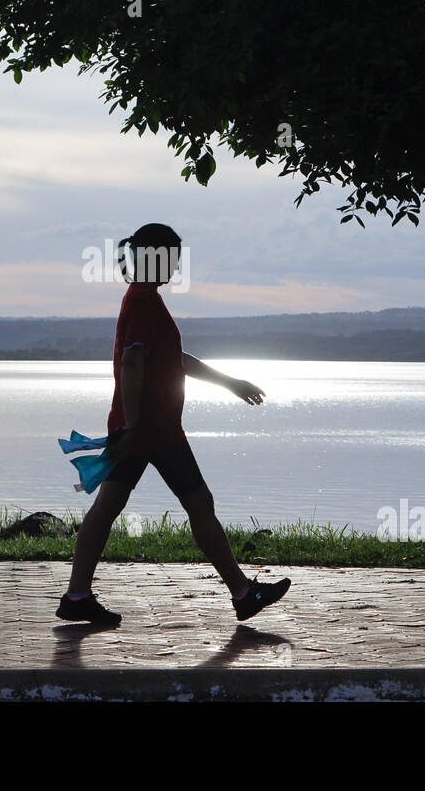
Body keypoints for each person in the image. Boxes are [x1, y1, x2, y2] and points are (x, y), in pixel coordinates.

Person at [56, 223, 291, 625]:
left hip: (144, 429)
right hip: (153, 431)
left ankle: (77, 596)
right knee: (198, 503)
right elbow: (132, 362)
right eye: (171, 257)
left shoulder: (143, 298)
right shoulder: (144, 302)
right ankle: (243, 593)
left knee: (109, 506)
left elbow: (174, 358)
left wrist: (230, 383)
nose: (175, 266)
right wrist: (132, 426)